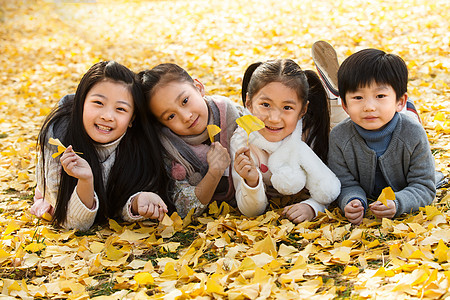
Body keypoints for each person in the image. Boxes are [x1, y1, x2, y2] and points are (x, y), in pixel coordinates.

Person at [31, 61, 172, 231]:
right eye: (98, 103)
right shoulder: (57, 144)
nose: (107, 116)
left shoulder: (138, 146)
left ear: (132, 119)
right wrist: (85, 180)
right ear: (81, 102)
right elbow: (74, 223)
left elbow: (119, 203)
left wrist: (136, 201)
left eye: (120, 109)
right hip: (63, 201)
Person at [328, 49, 436, 225]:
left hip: (402, 190)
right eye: (357, 97)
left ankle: (409, 112)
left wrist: (398, 203)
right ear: (345, 106)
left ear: (400, 101)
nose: (369, 107)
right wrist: (352, 200)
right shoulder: (339, 137)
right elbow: (344, 183)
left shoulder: (413, 134)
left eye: (380, 96)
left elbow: (424, 186)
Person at [231, 59, 341, 223]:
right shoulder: (243, 142)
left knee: (341, 124)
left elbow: (327, 186)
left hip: (324, 123)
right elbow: (251, 211)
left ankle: (335, 97)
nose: (274, 119)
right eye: (265, 104)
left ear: (303, 109)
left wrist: (312, 207)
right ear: (249, 103)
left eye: (287, 107)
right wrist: (251, 182)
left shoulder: (308, 133)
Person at [139, 63, 242, 218]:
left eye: (185, 101)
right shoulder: (170, 148)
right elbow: (184, 208)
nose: (186, 117)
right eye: (171, 116)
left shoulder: (231, 114)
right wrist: (214, 172)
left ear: (198, 87)